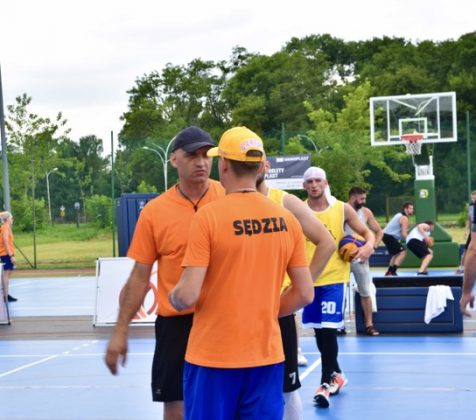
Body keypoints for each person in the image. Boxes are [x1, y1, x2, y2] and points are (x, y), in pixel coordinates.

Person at [168, 126, 314, 419]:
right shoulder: (285, 219)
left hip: (213, 356)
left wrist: (172, 295)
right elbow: (305, 293)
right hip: (266, 354)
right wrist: (267, 310)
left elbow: (187, 295)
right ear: (260, 166)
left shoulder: (209, 217)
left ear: (223, 165)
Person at [104, 126, 225, 420]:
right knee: (176, 405)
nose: (201, 162)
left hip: (223, 319)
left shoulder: (228, 197)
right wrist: (120, 331)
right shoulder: (155, 212)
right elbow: (139, 276)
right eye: (192, 155)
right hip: (176, 325)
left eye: (206, 155)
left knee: (225, 403)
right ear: (174, 161)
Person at [256, 159, 336, 420]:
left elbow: (327, 242)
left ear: (266, 165)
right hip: (240, 316)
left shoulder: (284, 202)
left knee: (288, 389)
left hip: (278, 313)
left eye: (254, 161)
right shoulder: (222, 201)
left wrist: (301, 288)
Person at [301, 167, 375, 408]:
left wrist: (367, 247)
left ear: (326, 182)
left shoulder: (341, 208)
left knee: (330, 329)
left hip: (334, 278)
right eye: (309, 181)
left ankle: (325, 384)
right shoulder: (298, 210)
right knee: (319, 333)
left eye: (318, 180)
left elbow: (368, 233)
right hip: (309, 279)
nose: (314, 185)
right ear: (305, 186)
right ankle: (337, 374)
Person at [346, 186, 383, 336]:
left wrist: (371, 246)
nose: (364, 201)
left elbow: (379, 231)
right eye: (361, 198)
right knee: (339, 290)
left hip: (360, 256)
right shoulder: (340, 209)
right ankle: (338, 325)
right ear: (353, 197)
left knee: (365, 290)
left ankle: (369, 325)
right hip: (341, 256)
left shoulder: (366, 212)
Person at [382, 202, 414, 276]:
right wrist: (411, 242)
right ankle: (393, 271)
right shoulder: (404, 218)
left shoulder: (399, 215)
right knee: (403, 252)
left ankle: (389, 271)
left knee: (396, 254)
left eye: (413, 208)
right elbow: (404, 234)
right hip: (389, 236)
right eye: (411, 208)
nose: (412, 210)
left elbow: (400, 232)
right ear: (405, 209)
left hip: (386, 236)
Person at [456, 191, 476, 274]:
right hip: (474, 230)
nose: (474, 199)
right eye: (473, 197)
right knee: (467, 248)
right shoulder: (471, 206)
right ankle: (462, 267)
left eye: (475, 197)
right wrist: (466, 230)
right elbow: (469, 219)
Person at [0, 211, 17, 302]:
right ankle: (5, 295)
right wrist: (11, 255)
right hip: (6, 254)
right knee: (6, 274)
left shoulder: (5, 227)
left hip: (6, 253)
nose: (12, 219)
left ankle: (6, 294)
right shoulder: (5, 228)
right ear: (7, 219)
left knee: (7, 274)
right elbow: (6, 242)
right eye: (11, 218)